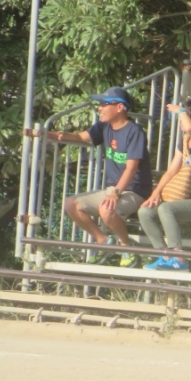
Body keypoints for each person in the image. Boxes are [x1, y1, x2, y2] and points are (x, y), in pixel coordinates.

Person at [54, 86, 154, 268]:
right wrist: (50, 134)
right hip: (113, 189)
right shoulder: (104, 126)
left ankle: (127, 246)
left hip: (135, 190)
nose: (99, 108)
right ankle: (103, 241)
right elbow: (81, 137)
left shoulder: (135, 131)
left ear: (120, 107)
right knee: (71, 204)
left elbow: (131, 168)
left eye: (104, 104)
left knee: (106, 209)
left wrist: (115, 193)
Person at [138, 97, 191, 271]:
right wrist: (156, 192)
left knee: (166, 209)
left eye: (185, 116)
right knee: (145, 212)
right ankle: (164, 256)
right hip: (188, 198)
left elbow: (190, 128)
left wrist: (180, 110)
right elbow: (171, 171)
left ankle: (179, 259)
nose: (180, 121)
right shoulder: (184, 140)